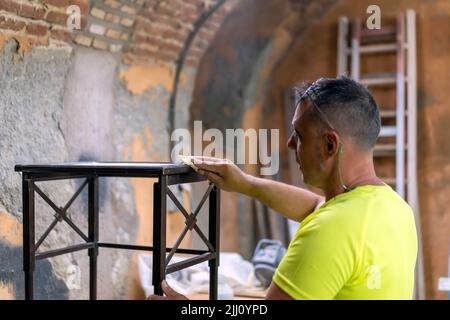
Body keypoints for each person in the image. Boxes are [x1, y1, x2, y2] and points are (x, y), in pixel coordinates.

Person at [148, 76, 418, 300]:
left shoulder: (331, 229)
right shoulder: (395, 208)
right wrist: (245, 184)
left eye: (299, 135)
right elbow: (314, 206)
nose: (290, 144)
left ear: (329, 145)